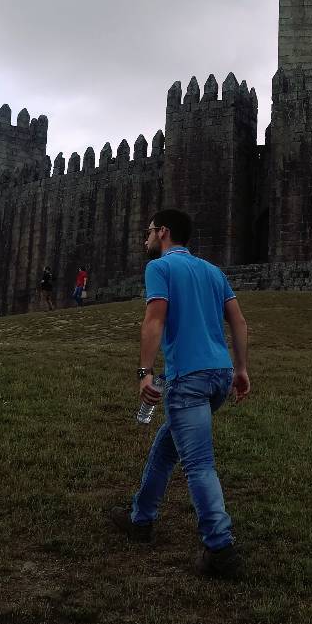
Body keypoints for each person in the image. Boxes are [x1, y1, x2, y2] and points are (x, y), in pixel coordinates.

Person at [110, 208, 250, 580]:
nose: (146, 237)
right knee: (166, 447)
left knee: (199, 464)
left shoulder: (160, 269)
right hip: (218, 377)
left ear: (164, 233)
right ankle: (141, 519)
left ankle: (220, 547)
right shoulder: (213, 271)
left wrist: (145, 373)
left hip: (187, 379)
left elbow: (154, 320)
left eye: (150, 230)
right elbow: (238, 321)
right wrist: (240, 369)